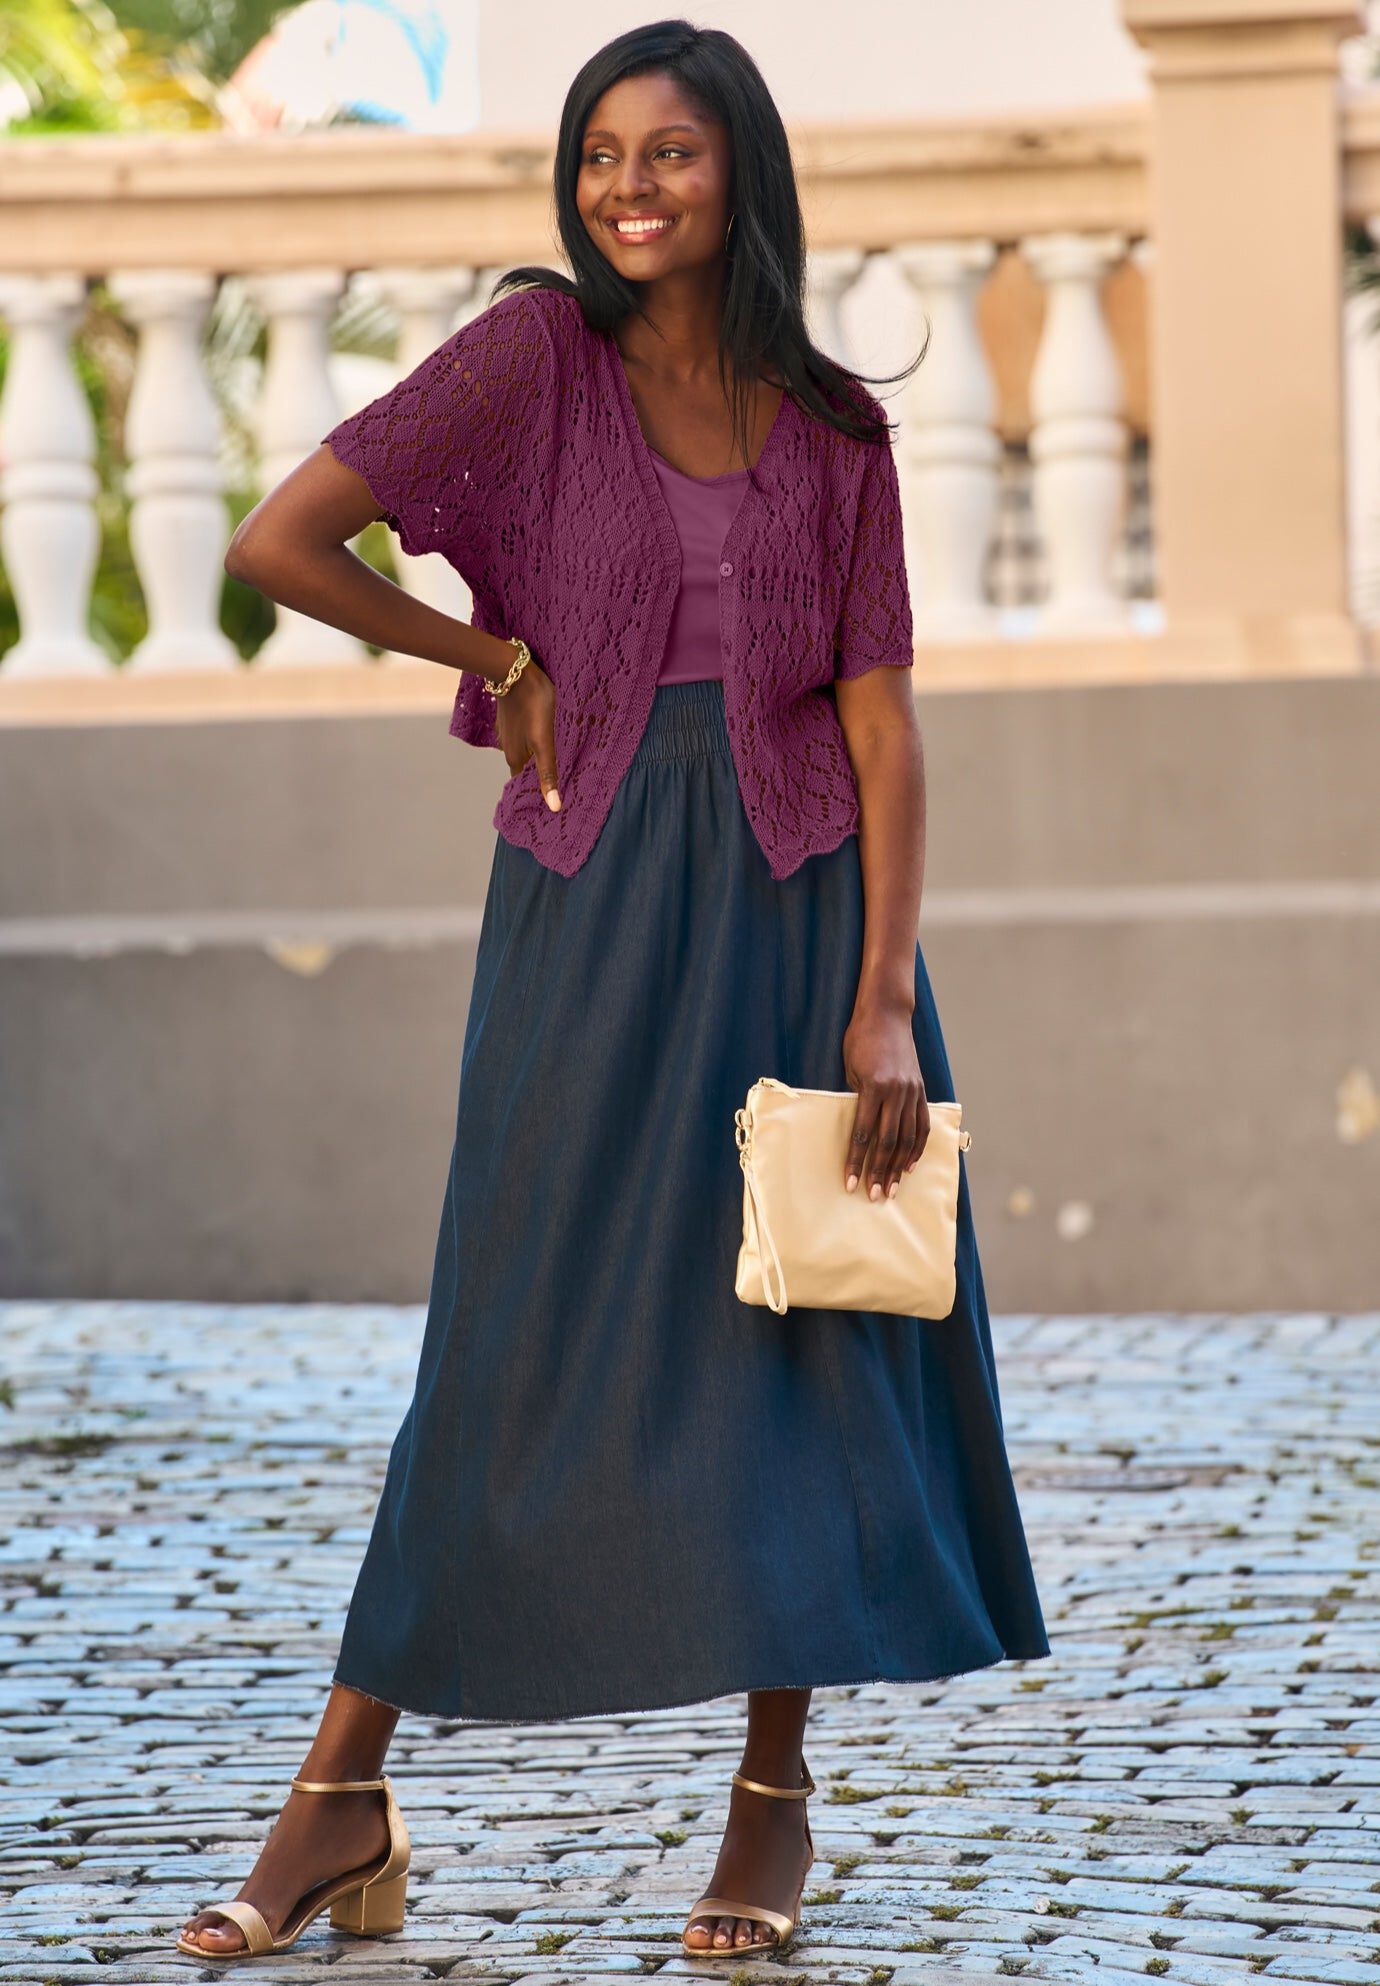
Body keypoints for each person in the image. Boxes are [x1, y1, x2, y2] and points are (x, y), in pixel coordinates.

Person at [177, 17, 1051, 1965]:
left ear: (741, 173)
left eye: (668, 153)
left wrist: (883, 1002)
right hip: (584, 902)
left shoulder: (836, 428)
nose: (628, 188)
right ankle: (339, 1797)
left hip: (800, 907)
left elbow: (884, 728)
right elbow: (280, 541)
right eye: (598, 155)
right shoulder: (529, 364)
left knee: (798, 1334)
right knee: (505, 1334)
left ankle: (770, 1807)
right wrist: (489, 659)